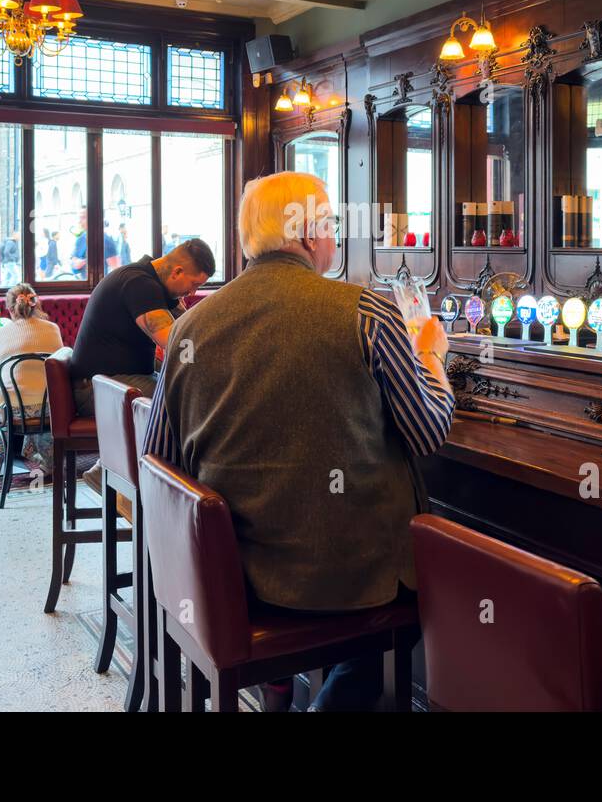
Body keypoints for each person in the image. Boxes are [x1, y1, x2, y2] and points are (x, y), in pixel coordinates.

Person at [143, 172, 454, 712]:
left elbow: (161, 462)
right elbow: (427, 432)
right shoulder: (368, 312)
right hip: (348, 579)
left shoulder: (189, 326)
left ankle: (299, 686)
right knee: (402, 615)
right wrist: (430, 356)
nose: (334, 233)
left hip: (226, 578)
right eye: (331, 223)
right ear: (309, 235)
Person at [70, 239, 214, 494]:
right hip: (96, 391)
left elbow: (189, 325)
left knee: (186, 392)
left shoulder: (154, 281)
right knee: (187, 401)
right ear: (177, 272)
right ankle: (169, 488)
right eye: (194, 285)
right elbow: (176, 344)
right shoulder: (140, 284)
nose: (192, 293)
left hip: (114, 383)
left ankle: (143, 478)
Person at [0, 283, 63, 481]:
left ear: (10, 309)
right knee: (40, 398)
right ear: (36, 305)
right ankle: (48, 461)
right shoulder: (53, 330)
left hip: (12, 410)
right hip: (49, 409)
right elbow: (58, 365)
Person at [70, 208, 118, 279]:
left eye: (83, 217)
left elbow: (115, 269)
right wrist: (80, 262)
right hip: (84, 285)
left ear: (94, 219)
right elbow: (73, 263)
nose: (79, 221)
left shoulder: (106, 240)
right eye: (79, 217)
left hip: (101, 285)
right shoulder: (80, 239)